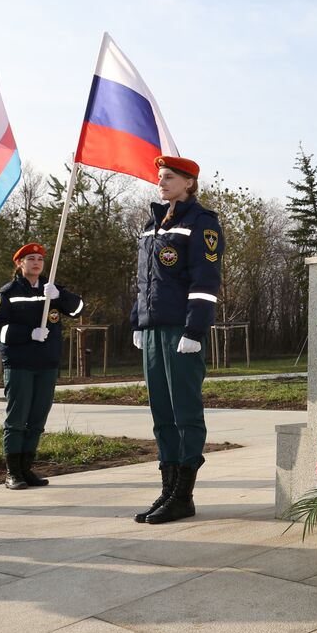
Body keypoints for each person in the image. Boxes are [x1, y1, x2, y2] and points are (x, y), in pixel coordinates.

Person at [130, 156, 223, 524]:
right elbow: (142, 283)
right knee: (162, 415)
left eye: (169, 177)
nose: (161, 182)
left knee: (185, 412)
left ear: (189, 183)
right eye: (159, 177)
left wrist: (194, 330)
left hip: (181, 333)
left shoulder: (202, 224)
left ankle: (184, 495)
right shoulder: (151, 226)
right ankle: (168, 489)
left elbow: (205, 282)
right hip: (153, 331)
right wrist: (137, 322)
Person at [0, 243, 84, 490]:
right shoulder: (8, 293)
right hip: (20, 364)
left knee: (37, 419)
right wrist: (29, 333)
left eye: (40, 259)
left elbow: (77, 309)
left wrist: (59, 296)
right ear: (20, 264)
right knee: (17, 419)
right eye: (30, 258)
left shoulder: (51, 289)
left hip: (47, 364)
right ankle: (13, 472)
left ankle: (27, 468)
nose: (36, 262)